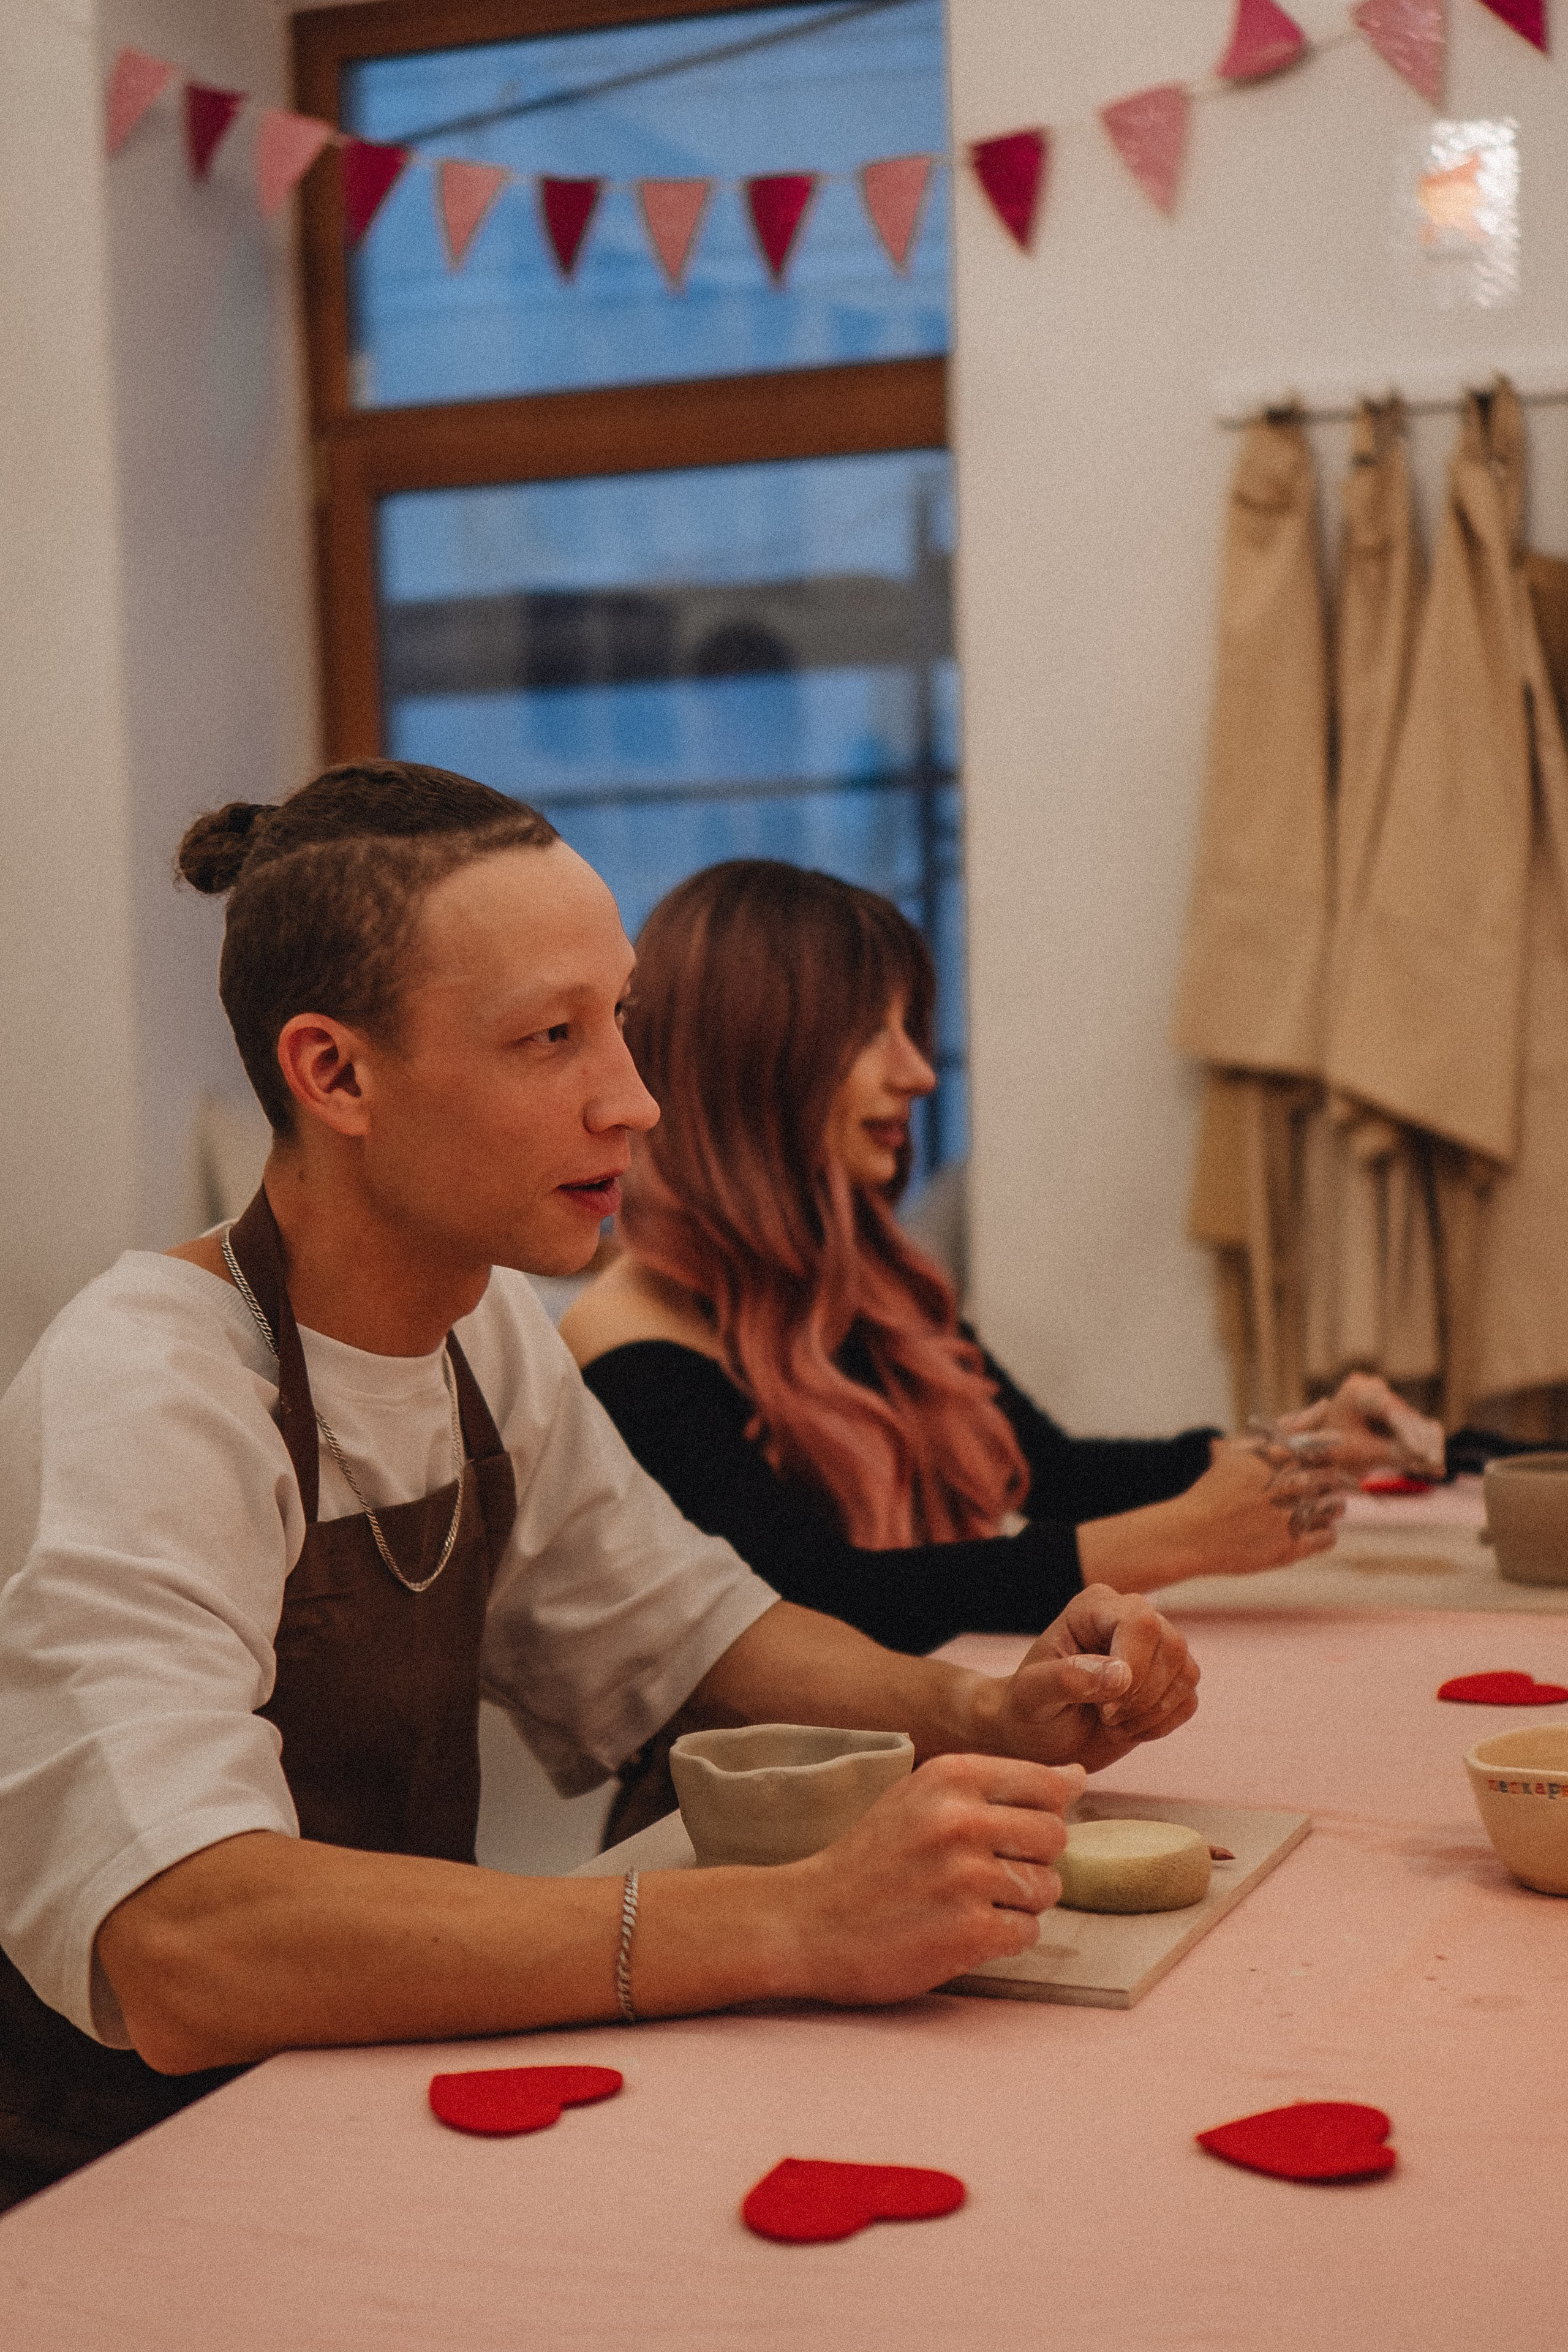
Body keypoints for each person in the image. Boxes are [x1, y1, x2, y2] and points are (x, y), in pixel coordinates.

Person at [0, 765, 1200, 2214]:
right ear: (334, 1074)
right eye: (547, 1039)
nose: (631, 1101)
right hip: (122, 2183)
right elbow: (184, 1940)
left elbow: (685, 1632)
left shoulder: (485, 1328)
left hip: (360, 2106)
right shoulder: (150, 1389)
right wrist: (788, 1923)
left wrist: (983, 1708)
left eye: (617, 1022)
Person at [560, 861, 1442, 1834]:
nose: (919, 1073)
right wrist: (1184, 1535)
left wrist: (1295, 1449)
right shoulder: (627, 1335)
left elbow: (1048, 1468)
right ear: (753, 1061)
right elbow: (810, 1600)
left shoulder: (870, 1278)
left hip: (915, 1762)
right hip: (737, 1818)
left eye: (911, 1029)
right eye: (870, 1035)